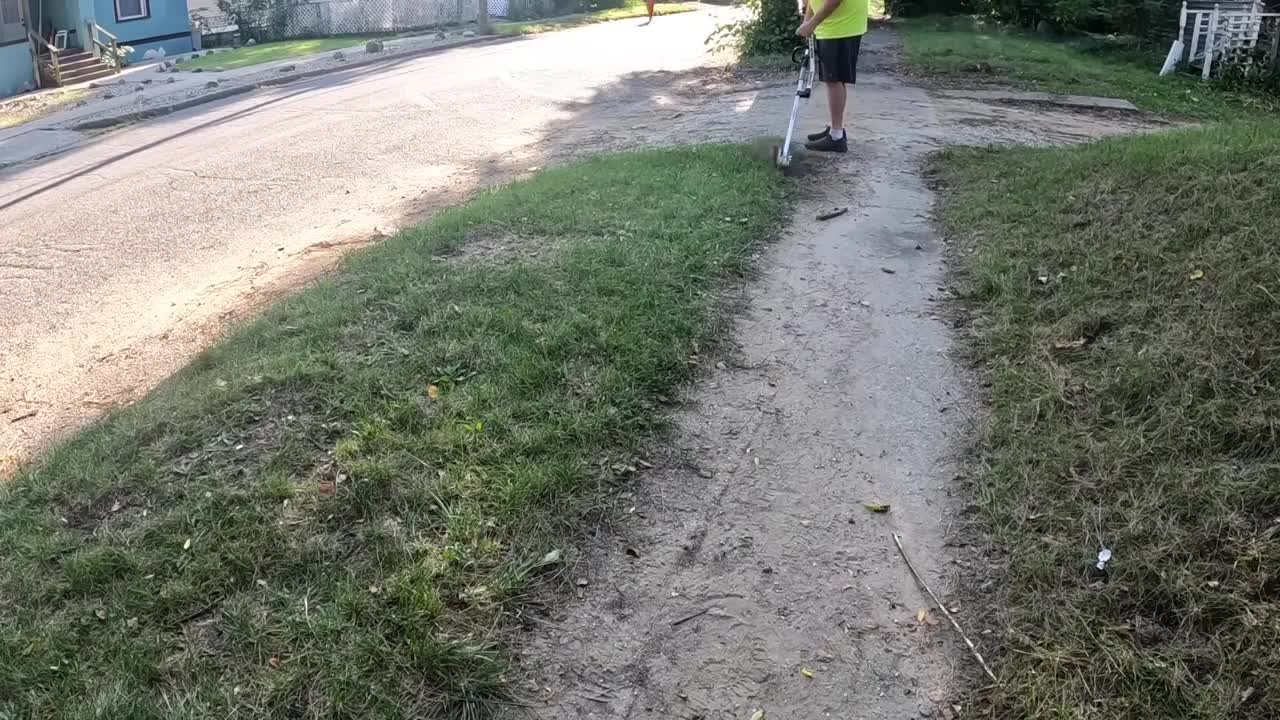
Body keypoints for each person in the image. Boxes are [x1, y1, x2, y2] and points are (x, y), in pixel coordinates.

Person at [796, 0, 869, 153]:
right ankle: (836, 129)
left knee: (833, 80)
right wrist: (807, 22)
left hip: (842, 26)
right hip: (832, 25)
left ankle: (837, 137)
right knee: (834, 79)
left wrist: (811, 24)